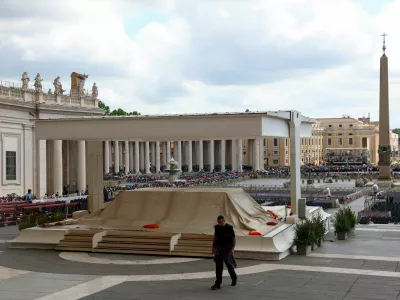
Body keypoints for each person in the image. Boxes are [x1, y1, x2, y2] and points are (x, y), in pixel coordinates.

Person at [211, 215, 237, 290]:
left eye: (221, 222)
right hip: (218, 249)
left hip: (227, 249)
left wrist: (232, 248)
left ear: (224, 220)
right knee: (218, 267)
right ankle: (218, 283)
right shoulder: (217, 227)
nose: (220, 223)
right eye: (218, 222)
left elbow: (233, 239)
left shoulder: (229, 227)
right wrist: (212, 248)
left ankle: (234, 278)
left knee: (229, 265)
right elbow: (215, 238)